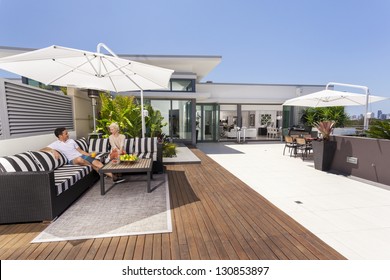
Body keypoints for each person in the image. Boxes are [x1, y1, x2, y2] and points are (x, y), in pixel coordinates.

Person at [42, 127, 125, 183]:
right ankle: (98, 169)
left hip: (81, 156)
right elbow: (42, 149)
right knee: (79, 160)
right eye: (66, 133)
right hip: (72, 160)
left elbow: (80, 151)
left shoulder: (71, 141)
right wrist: (53, 150)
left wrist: (90, 155)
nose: (68, 134)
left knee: (98, 164)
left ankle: (114, 178)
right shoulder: (56, 144)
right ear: (60, 136)